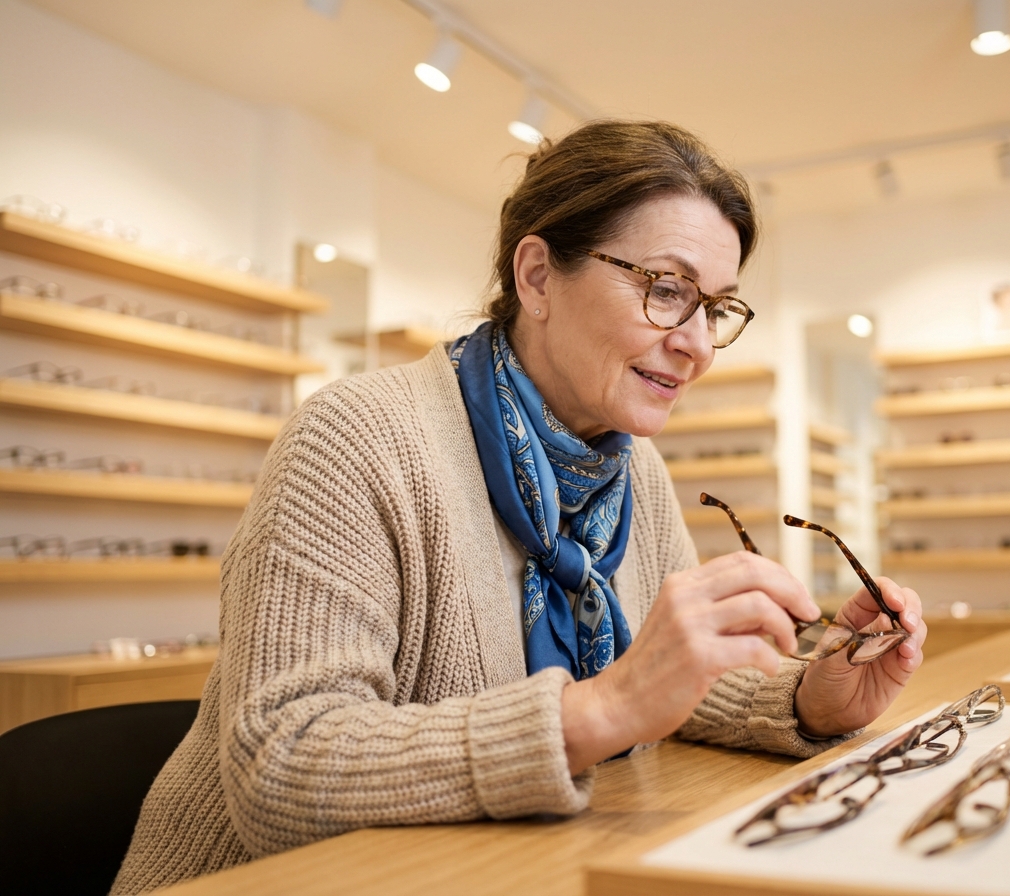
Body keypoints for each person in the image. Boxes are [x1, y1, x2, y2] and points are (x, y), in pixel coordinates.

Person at [112, 120, 926, 894]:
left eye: (715, 308)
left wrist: (809, 698)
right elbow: (282, 766)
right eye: (668, 290)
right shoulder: (355, 437)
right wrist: (597, 709)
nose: (699, 344)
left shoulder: (631, 468)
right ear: (536, 276)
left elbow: (661, 692)